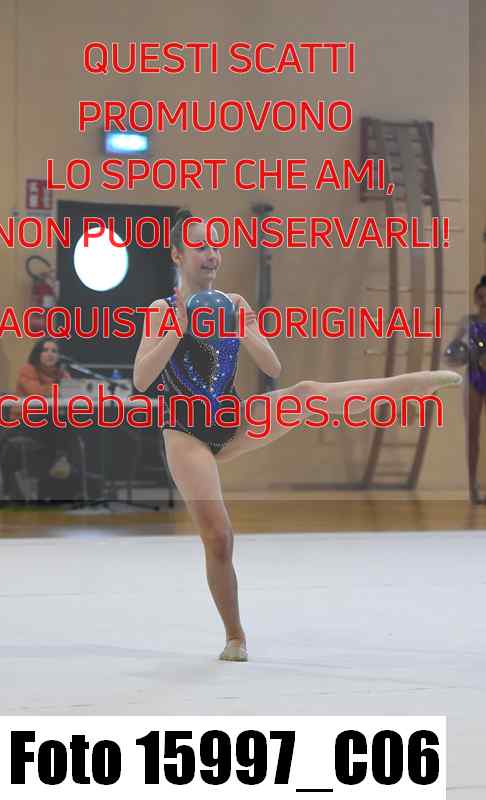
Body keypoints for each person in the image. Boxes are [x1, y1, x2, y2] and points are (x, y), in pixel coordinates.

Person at [133, 209, 462, 662]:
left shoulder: (234, 303)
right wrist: (179, 329)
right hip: (186, 433)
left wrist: (242, 327)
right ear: (177, 255)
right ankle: (235, 636)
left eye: (216, 245)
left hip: (231, 420)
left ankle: (412, 385)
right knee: (219, 536)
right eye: (201, 246)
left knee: (306, 394)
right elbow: (141, 379)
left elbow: (272, 366)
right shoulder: (162, 311)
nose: (212, 254)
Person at [2, 338, 80, 501]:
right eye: (45, 350)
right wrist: (59, 387)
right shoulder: (28, 370)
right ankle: (60, 458)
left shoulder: (62, 373)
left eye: (54, 351)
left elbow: (72, 392)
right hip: (23, 422)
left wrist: (64, 386)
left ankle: (63, 471)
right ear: (37, 354)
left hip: (48, 426)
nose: (50, 354)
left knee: (66, 421)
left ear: (59, 356)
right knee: (58, 421)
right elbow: (36, 393)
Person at [449, 276, 486, 504]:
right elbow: (453, 350)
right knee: (473, 433)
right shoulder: (467, 322)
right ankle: (473, 487)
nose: (483, 301)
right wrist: (456, 354)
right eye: (480, 296)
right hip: (474, 378)